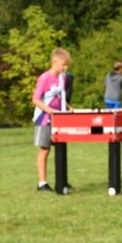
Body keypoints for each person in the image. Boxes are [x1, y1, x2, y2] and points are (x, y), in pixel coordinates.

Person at [32, 48, 72, 192]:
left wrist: (67, 107)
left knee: (61, 148)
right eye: (64, 64)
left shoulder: (63, 77)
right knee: (45, 149)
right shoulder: (44, 78)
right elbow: (36, 99)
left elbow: (60, 96)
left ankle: (62, 180)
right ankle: (42, 182)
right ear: (55, 62)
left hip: (59, 118)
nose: (65, 68)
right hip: (44, 119)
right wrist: (49, 111)